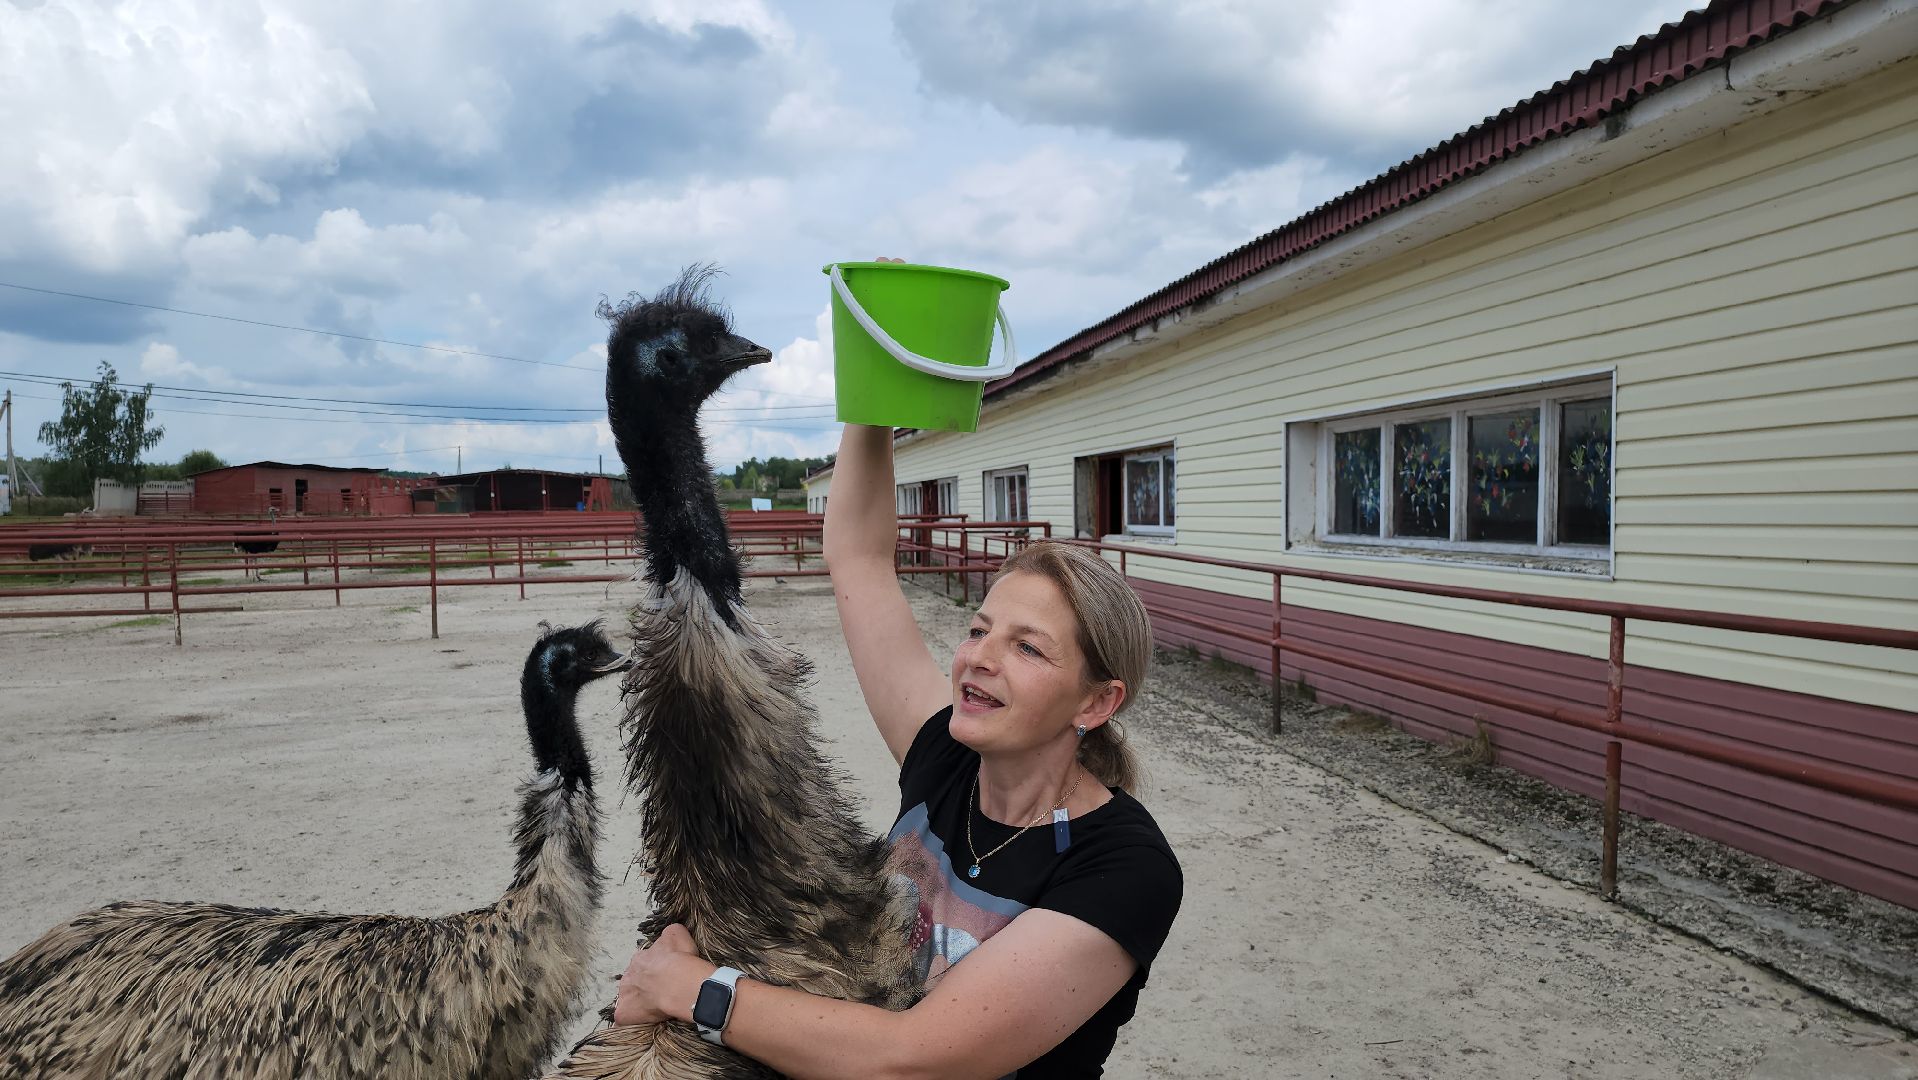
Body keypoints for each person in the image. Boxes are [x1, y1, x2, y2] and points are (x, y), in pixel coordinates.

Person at [611, 421, 1182, 1078]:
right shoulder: (947, 754)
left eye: (1027, 647)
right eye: (978, 629)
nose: (978, 659)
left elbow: (911, 1058)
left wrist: (688, 987)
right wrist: (874, 401)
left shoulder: (1124, 869)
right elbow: (858, 556)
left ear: (1095, 703)